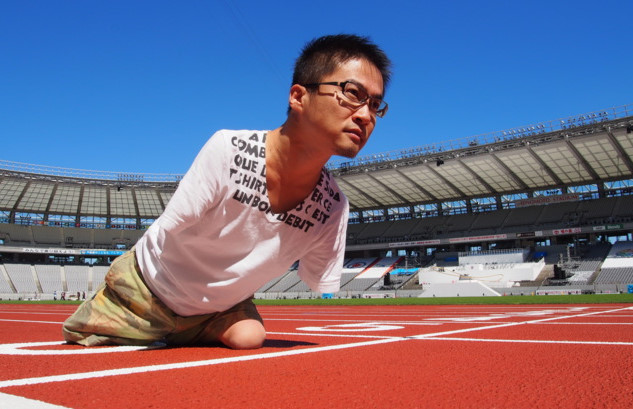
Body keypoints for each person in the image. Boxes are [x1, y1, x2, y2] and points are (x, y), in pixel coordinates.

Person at [62, 34, 392, 349]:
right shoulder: (228, 150)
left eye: (375, 105)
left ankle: (189, 329)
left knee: (249, 336)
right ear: (298, 96)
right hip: (147, 288)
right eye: (351, 92)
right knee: (76, 339)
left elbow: (320, 282)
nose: (365, 116)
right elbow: (167, 231)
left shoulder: (333, 208)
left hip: (219, 310)